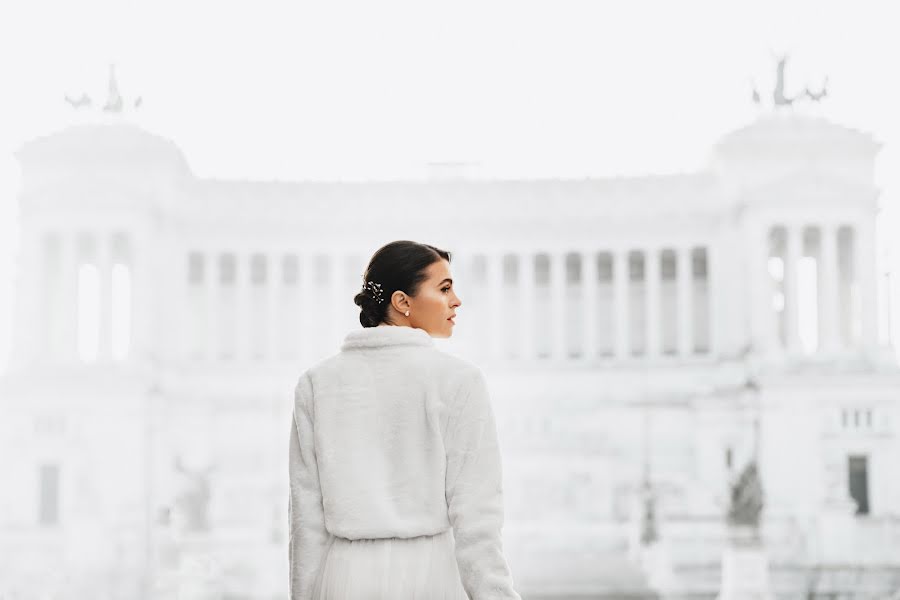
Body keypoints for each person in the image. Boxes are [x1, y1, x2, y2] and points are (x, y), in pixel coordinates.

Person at [288, 240, 521, 599]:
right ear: (402, 302)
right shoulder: (458, 381)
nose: (456, 300)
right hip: (430, 577)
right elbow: (477, 518)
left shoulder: (317, 383)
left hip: (343, 578)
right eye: (444, 288)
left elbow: (306, 522)